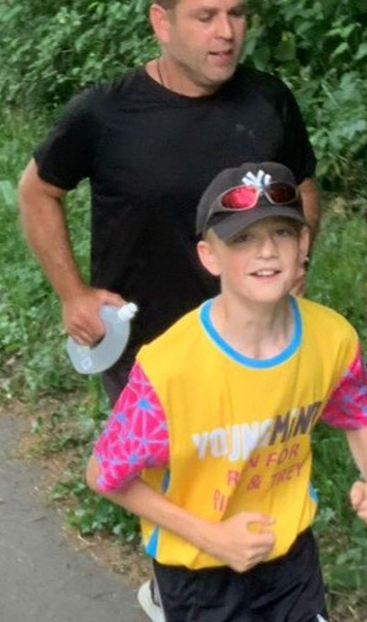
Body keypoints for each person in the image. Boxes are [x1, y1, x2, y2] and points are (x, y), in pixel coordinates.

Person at [86, 162, 367, 622]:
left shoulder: (330, 338)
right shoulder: (170, 367)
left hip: (288, 562)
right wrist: (213, 536)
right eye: (244, 238)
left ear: (302, 246)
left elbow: (358, 408)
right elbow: (105, 475)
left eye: (281, 234)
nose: (266, 250)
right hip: (200, 573)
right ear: (209, 255)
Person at [18, 0, 320, 406]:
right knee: (157, 471)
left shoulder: (269, 101)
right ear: (163, 22)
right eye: (206, 16)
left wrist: (298, 262)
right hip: (147, 354)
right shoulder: (107, 114)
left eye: (236, 14)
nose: (227, 32)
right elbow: (37, 191)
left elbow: (302, 186)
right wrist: (73, 295)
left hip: (255, 342)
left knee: (254, 468)